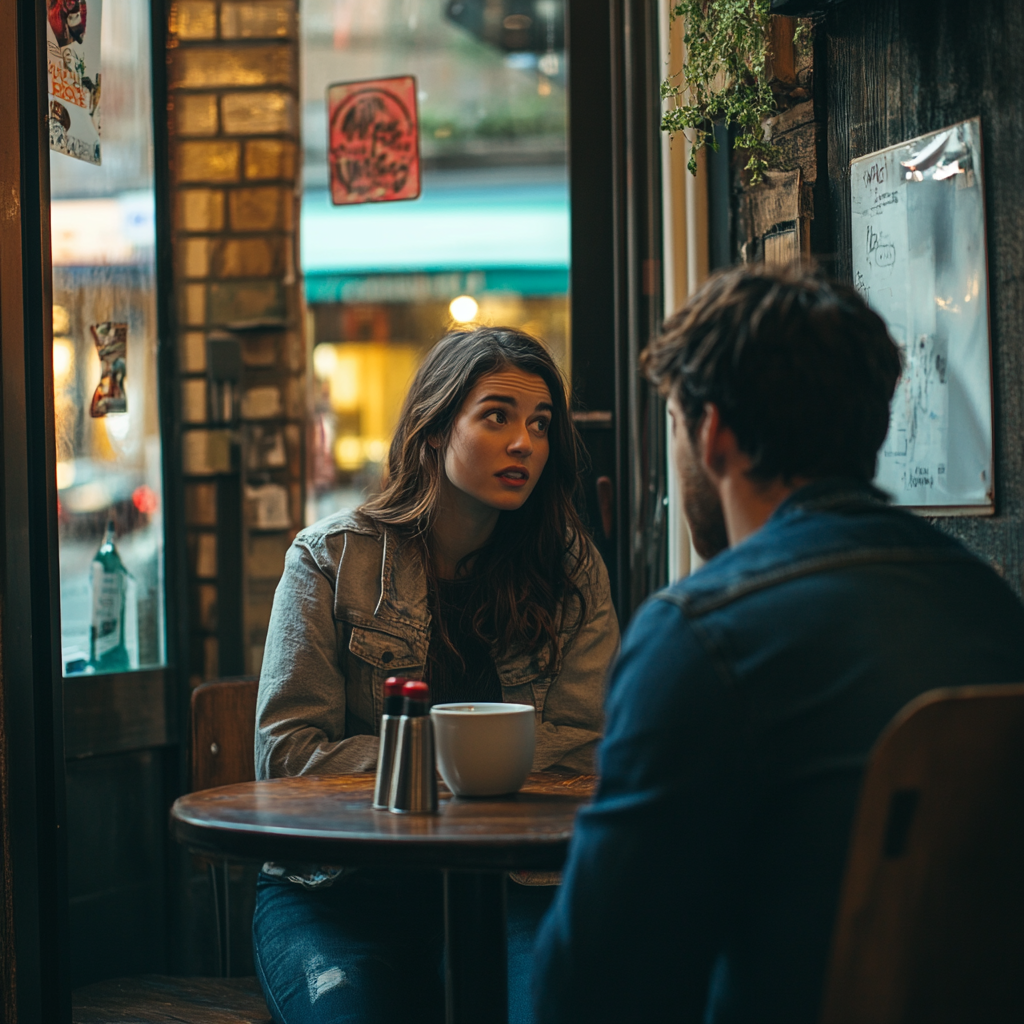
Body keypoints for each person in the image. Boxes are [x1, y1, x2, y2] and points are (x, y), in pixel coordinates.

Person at [533, 265, 1024, 1024]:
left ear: (713, 433)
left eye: (674, 427)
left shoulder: (700, 635)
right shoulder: (991, 604)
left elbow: (593, 987)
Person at [252, 326, 619, 1024]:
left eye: (541, 425)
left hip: (515, 883)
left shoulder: (569, 570)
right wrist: (462, 763)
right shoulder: (329, 560)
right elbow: (288, 755)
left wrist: (422, 768)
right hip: (342, 889)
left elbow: (587, 740)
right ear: (432, 429)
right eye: (496, 416)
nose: (525, 444)